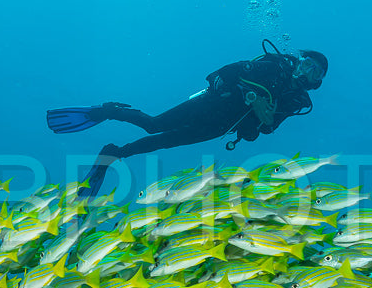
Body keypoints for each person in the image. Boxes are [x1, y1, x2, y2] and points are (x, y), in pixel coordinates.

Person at [47, 41, 328, 197]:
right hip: (210, 104)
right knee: (154, 125)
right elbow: (223, 73)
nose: (306, 72)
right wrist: (243, 93)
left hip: (221, 126)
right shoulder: (274, 66)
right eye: (306, 64)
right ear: (299, 60)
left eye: (314, 72)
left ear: (317, 81)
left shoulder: (296, 101)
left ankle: (113, 154)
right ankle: (109, 111)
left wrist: (258, 116)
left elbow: (265, 130)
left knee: (164, 142)